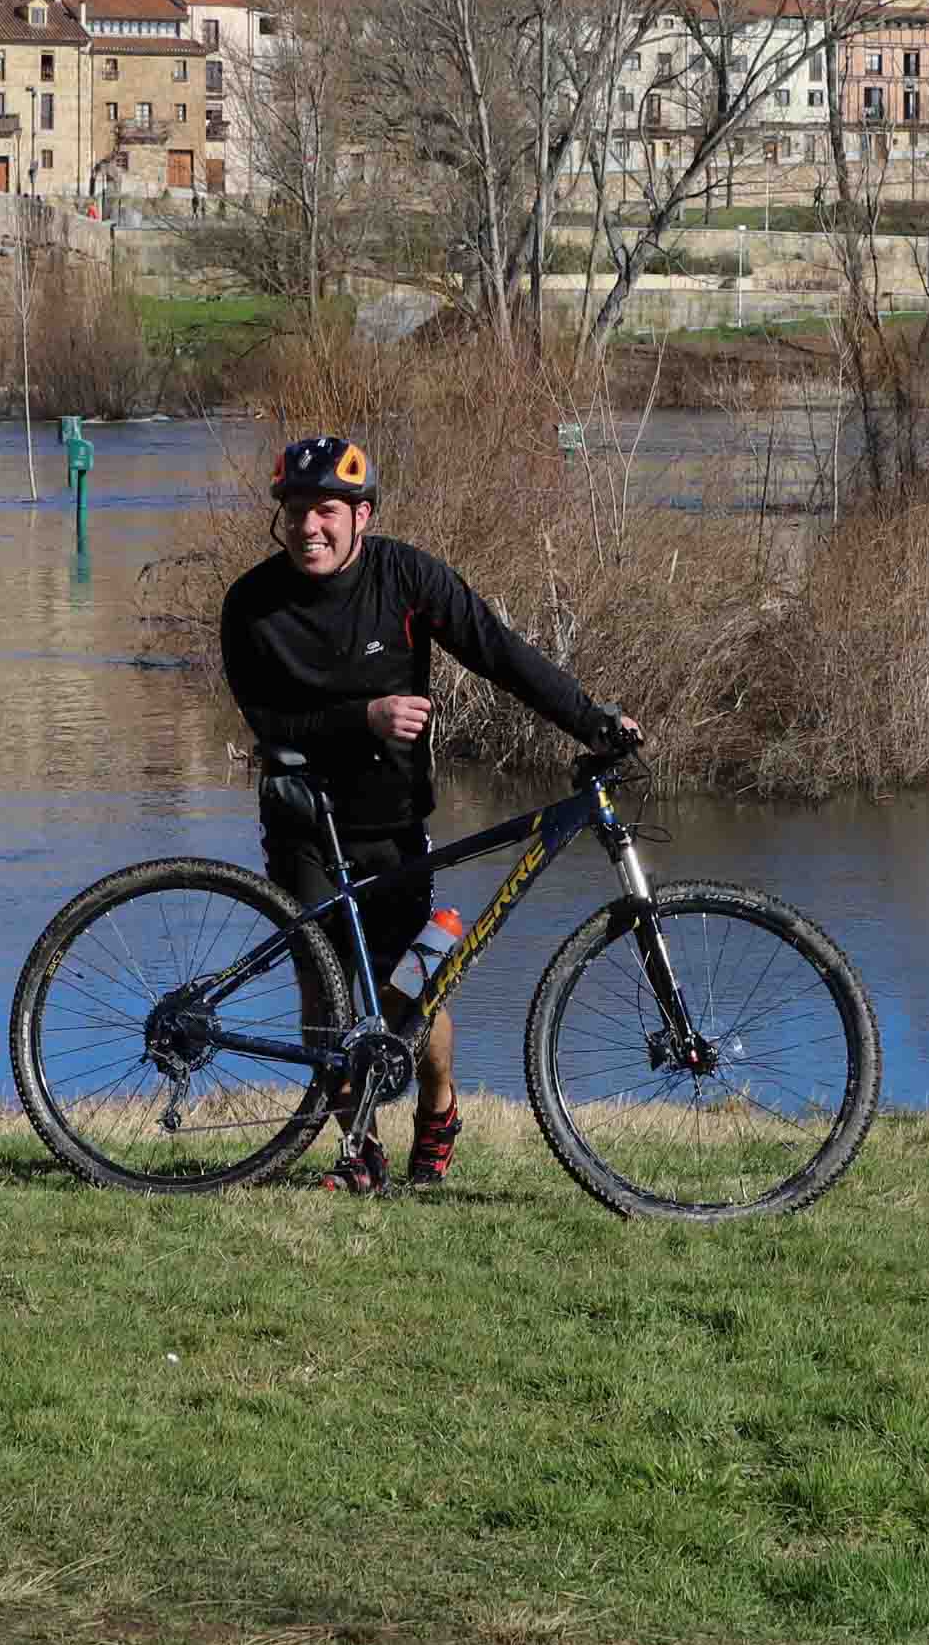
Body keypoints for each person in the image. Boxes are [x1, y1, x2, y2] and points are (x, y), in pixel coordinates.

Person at [218, 434, 635, 1193]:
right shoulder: (252, 604)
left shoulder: (406, 578)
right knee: (326, 985)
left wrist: (591, 720)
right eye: (296, 513)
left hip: (393, 819)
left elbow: (499, 652)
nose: (309, 527)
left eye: (328, 513)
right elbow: (268, 723)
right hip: (304, 821)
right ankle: (358, 1149)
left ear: (362, 516)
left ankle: (437, 1107)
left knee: (415, 989)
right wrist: (364, 717)